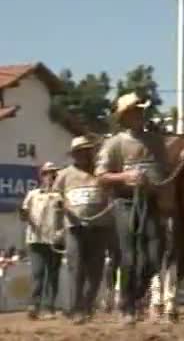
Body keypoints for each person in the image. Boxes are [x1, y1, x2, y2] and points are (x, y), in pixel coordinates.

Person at [94, 92, 169, 326]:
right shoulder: (114, 143)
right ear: (125, 117)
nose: (140, 115)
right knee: (129, 257)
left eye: (141, 111)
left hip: (152, 204)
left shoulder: (156, 141)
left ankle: (135, 297)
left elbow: (165, 171)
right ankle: (127, 306)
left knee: (154, 256)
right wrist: (126, 176)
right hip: (125, 203)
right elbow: (101, 176)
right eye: (135, 111)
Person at [53, 135, 112, 324]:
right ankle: (75, 308)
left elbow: (112, 194)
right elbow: (55, 197)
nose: (83, 155)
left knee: (95, 270)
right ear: (74, 155)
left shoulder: (101, 173)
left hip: (99, 227)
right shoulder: (64, 175)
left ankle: (87, 305)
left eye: (86, 151)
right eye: (79, 152)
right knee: (75, 268)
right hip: (74, 227)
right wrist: (58, 223)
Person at [19, 162, 63, 320]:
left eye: (54, 173)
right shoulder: (33, 194)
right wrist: (23, 214)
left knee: (52, 274)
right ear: (41, 175)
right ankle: (34, 305)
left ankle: (49, 307)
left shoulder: (61, 195)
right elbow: (24, 214)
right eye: (47, 173)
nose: (51, 176)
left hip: (55, 240)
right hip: (36, 239)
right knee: (37, 273)